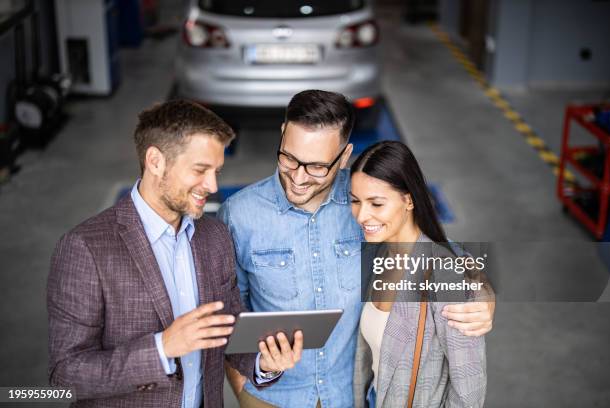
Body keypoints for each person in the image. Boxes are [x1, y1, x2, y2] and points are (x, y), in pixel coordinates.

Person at [218, 90, 494, 408]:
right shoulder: (238, 214)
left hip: (350, 397)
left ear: (345, 155)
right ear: (282, 135)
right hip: (271, 396)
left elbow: (431, 248)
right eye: (289, 158)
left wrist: (481, 289)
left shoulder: (363, 202)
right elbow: (228, 311)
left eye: (318, 166)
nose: (298, 177)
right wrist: (244, 385)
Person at [47, 100, 302, 407]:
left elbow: (228, 330)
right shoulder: (85, 247)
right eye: (200, 170)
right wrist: (161, 348)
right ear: (155, 161)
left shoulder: (215, 237)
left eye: (217, 171)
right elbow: (67, 374)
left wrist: (264, 364)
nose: (212, 185)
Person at [350, 140, 488, 407]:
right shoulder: (374, 253)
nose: (361, 215)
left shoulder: (445, 275)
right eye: (355, 201)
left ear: (408, 200)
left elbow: (469, 390)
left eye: (376, 204)